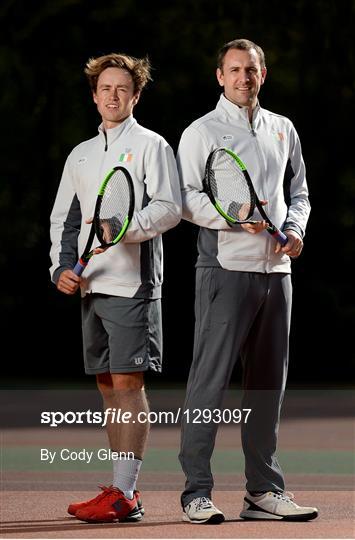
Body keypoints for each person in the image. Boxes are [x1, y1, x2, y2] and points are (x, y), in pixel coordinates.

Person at [176, 38, 318, 524]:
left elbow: (298, 191)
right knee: (208, 385)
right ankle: (196, 491)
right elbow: (184, 199)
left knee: (266, 387)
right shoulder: (201, 131)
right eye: (234, 70)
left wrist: (295, 228)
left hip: (277, 274)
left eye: (251, 70)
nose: (243, 78)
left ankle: (262, 491)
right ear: (220, 76)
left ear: (263, 74)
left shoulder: (283, 129)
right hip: (224, 271)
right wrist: (230, 216)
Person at [49, 52, 181, 523]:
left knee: (128, 384)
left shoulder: (152, 145)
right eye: (105, 88)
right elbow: (64, 220)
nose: (112, 95)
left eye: (122, 88)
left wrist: (123, 227)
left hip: (134, 285)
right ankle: (123, 493)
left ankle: (125, 494)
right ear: (94, 94)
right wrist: (61, 268)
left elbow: (170, 207)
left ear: (136, 94)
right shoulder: (80, 153)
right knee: (108, 387)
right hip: (92, 286)